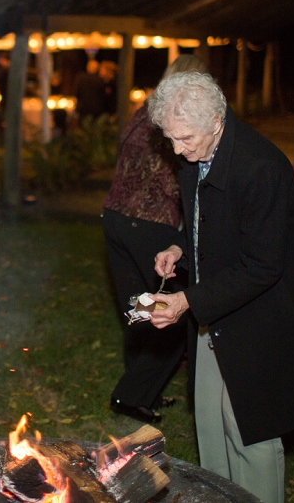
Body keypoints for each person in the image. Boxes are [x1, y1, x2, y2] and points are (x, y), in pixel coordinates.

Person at [148, 71, 294, 503]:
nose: (176, 150)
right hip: (218, 311)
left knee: (249, 430)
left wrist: (187, 299)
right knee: (211, 423)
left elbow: (263, 266)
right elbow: (213, 229)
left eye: (184, 138)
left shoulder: (258, 167)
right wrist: (182, 250)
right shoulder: (198, 156)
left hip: (262, 316)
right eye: (170, 138)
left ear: (216, 121)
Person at [105, 54, 209, 424]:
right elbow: (171, 180)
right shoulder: (176, 120)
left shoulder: (143, 110)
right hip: (151, 224)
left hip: (116, 218)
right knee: (173, 314)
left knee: (139, 307)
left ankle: (141, 392)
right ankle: (131, 395)